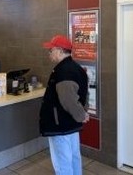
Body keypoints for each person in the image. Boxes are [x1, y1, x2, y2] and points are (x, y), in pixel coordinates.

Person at [40, 35, 90, 175]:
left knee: (62, 163)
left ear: (60, 51)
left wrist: (81, 115)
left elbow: (69, 100)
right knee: (74, 157)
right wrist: (83, 113)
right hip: (70, 124)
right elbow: (85, 94)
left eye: (51, 50)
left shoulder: (63, 71)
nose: (49, 53)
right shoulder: (76, 68)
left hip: (60, 125)